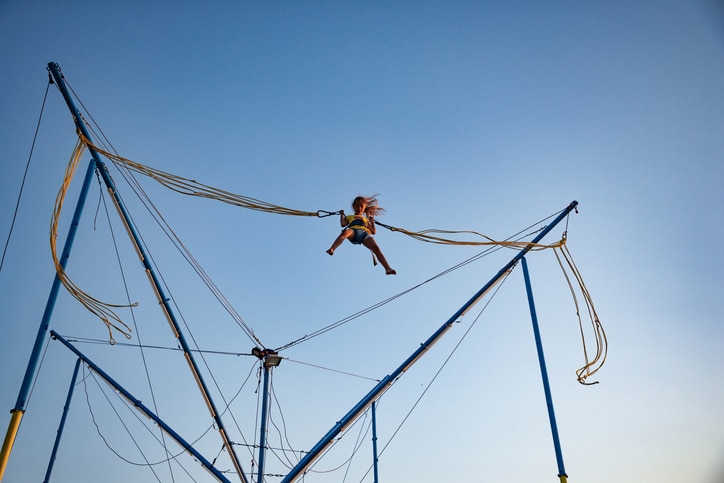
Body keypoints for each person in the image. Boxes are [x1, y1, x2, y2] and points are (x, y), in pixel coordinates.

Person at [326, 195, 396, 275]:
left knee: (376, 248)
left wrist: (372, 221)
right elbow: (343, 224)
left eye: (361, 206)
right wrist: (341, 215)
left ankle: (387, 268)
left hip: (364, 233)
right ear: (353, 207)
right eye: (357, 206)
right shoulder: (349, 217)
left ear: (364, 208)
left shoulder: (366, 219)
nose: (359, 208)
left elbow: (373, 231)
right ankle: (332, 249)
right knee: (345, 233)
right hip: (353, 231)